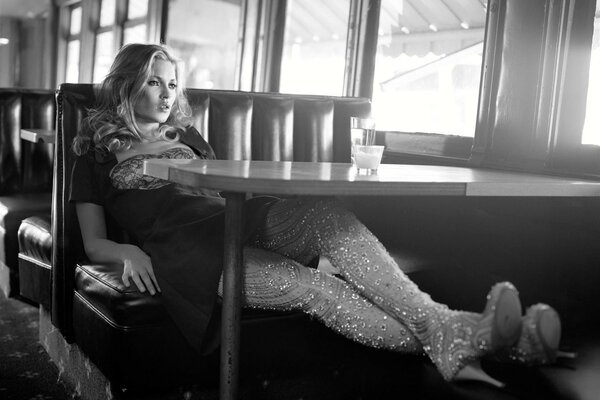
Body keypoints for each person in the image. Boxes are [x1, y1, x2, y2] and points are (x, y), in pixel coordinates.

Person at [70, 43, 565, 386]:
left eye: (172, 84)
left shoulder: (191, 139)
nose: (166, 93)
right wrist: (125, 248)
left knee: (327, 215)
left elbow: (222, 193)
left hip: (246, 220)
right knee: (317, 289)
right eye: (153, 82)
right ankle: (496, 341)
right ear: (126, 85)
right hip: (194, 258)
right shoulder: (92, 153)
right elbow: (94, 243)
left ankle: (455, 333)